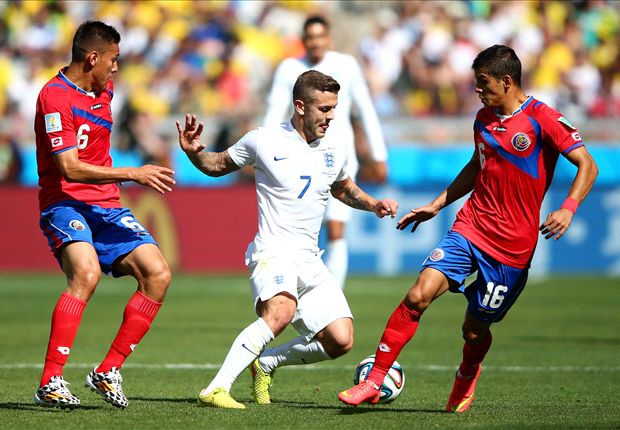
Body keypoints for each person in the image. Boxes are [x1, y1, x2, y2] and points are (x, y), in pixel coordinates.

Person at [338, 44, 598, 412]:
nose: (477, 90)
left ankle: (467, 373)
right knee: (417, 295)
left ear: (507, 81)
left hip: (511, 249)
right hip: (471, 227)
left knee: (474, 329)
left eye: (483, 82)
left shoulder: (544, 119)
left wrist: (568, 209)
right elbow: (476, 168)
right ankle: (374, 380)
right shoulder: (483, 119)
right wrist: (437, 204)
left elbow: (588, 165)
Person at [177, 70, 398, 409]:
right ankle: (216, 388)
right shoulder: (263, 140)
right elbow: (217, 164)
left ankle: (267, 363)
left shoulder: (334, 148)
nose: (331, 116)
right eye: (323, 109)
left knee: (341, 340)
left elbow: (342, 187)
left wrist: (373, 204)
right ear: (300, 106)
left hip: (309, 257)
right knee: (281, 310)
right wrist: (194, 154)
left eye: (333, 108)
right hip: (273, 250)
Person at [33, 21, 175, 409]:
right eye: (113, 59)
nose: (116, 68)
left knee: (158, 273)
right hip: (65, 202)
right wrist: (133, 172)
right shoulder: (53, 96)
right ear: (92, 57)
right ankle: (50, 380)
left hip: (106, 205)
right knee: (86, 273)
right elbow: (69, 167)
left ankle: (107, 370)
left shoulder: (105, 91)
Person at [264, 15, 388, 290]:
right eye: (311, 37)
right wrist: (265, 148)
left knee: (335, 228)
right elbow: (274, 110)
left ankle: (332, 296)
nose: (316, 42)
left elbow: (365, 108)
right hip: (296, 158)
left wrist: (379, 155)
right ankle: (294, 288)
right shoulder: (289, 68)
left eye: (321, 37)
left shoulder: (345, 65)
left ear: (328, 39)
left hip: (338, 157)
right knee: (301, 227)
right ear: (304, 40)